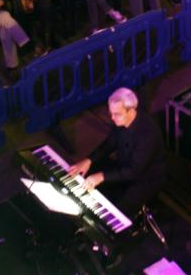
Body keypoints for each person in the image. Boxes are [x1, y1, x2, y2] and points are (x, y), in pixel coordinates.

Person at [68, 87, 166, 218]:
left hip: (145, 179)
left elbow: (134, 172)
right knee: (87, 174)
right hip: (124, 167)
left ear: (131, 111)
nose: (112, 118)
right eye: (111, 113)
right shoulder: (121, 119)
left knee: (114, 213)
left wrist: (101, 176)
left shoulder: (147, 135)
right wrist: (89, 160)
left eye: (117, 114)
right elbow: (110, 142)